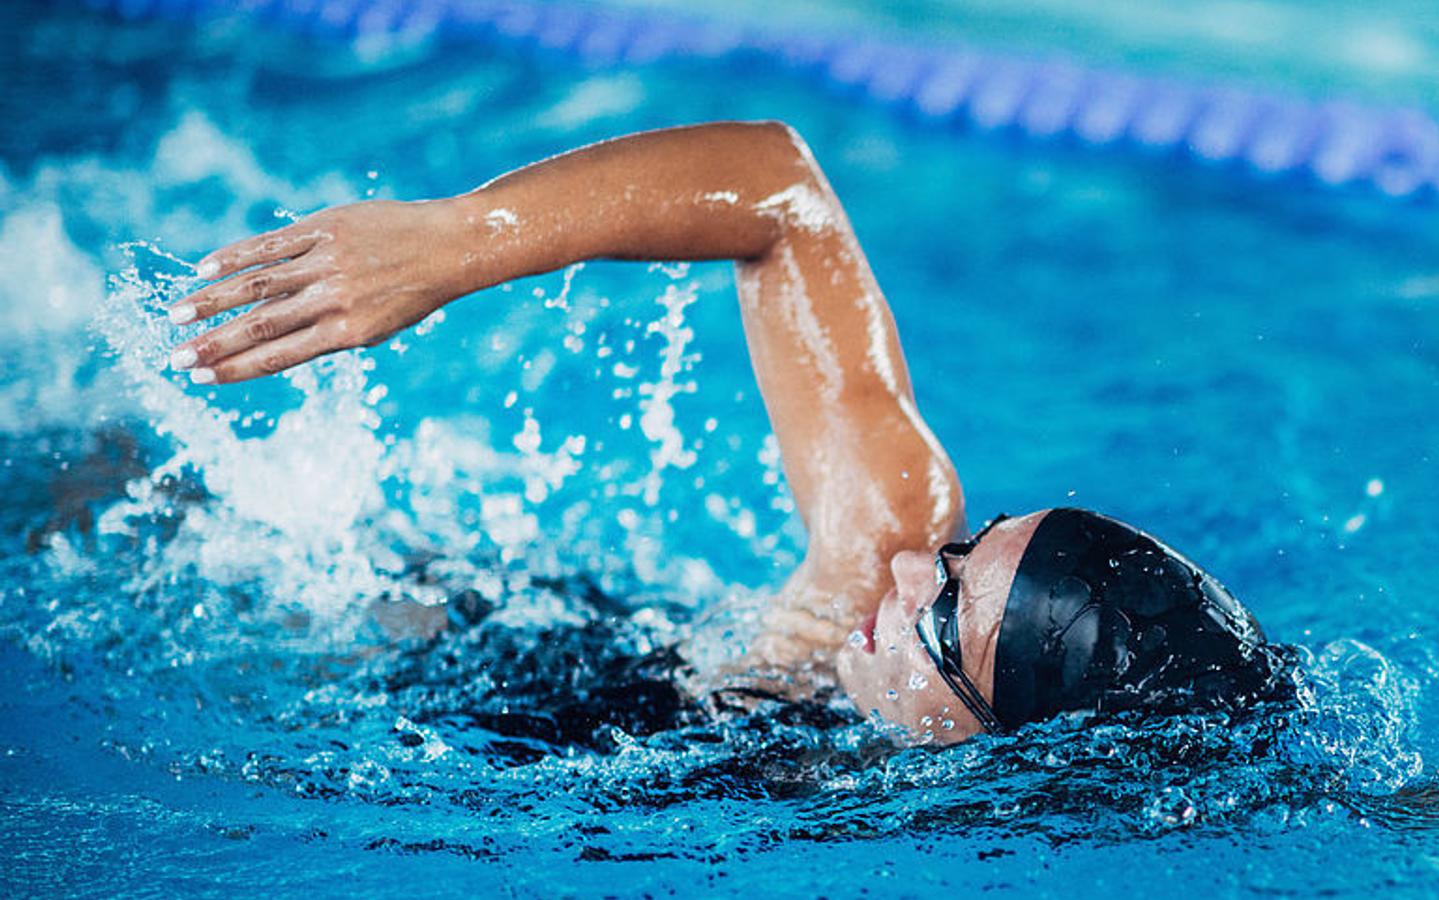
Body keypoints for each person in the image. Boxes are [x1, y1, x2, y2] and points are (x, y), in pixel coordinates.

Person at [168, 121, 1287, 744]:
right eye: (963, 550)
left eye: (945, 616)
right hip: (443, 626)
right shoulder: (871, 571)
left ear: (1001, 746)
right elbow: (775, 189)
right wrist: (458, 243)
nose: (903, 567)